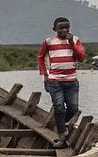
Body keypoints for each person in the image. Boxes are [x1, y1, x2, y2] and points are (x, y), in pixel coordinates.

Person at [37, 17, 86, 148]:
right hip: (54, 80)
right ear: (55, 29)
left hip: (72, 80)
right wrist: (45, 75)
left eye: (67, 27)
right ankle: (62, 135)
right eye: (61, 28)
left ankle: (61, 125)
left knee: (73, 107)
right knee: (59, 107)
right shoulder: (48, 42)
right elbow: (40, 57)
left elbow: (81, 57)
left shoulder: (75, 40)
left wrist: (71, 43)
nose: (64, 30)